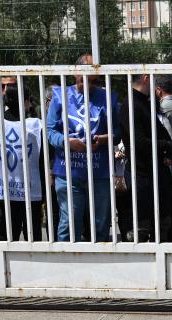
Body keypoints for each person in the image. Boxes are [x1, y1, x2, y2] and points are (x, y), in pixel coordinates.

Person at [46, 54, 120, 242]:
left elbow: (118, 132)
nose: (87, 86)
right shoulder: (60, 96)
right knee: (69, 223)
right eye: (82, 81)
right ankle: (65, 265)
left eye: (93, 81)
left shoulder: (107, 98)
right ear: (75, 74)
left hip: (99, 171)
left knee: (101, 224)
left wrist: (103, 139)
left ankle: (101, 263)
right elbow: (49, 131)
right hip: (68, 171)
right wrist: (67, 142)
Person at [119, 74, 172, 242]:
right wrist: (167, 146)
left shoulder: (145, 102)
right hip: (142, 175)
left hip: (156, 172)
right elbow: (139, 142)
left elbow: (160, 132)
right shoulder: (132, 104)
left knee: (164, 224)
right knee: (143, 227)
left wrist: (169, 149)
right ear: (145, 78)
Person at [0, 84, 44, 241]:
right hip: (30, 190)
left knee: (3, 239)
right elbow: (42, 159)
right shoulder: (36, 125)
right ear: (26, 101)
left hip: (4, 190)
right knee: (32, 241)